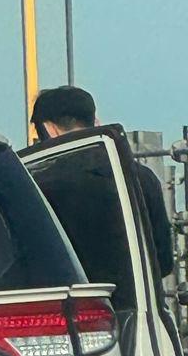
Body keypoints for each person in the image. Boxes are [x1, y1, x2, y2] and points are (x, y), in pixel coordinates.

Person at [31, 84, 175, 279]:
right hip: (138, 304)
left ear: (49, 129)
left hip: (73, 305)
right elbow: (164, 262)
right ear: (96, 123)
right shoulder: (142, 177)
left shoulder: (37, 184)